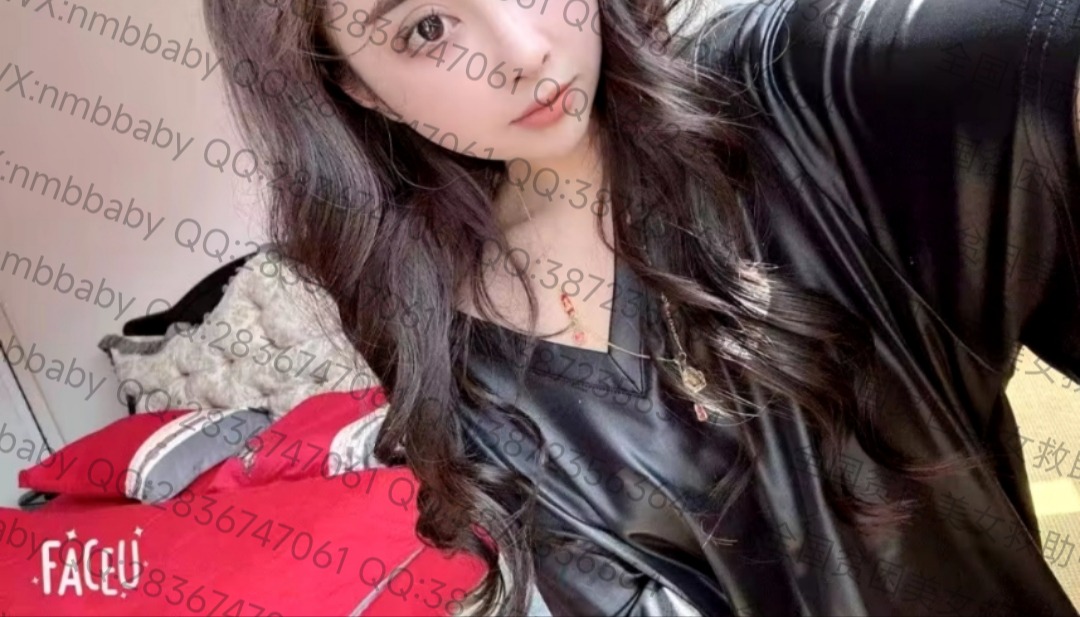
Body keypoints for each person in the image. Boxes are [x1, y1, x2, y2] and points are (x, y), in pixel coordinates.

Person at [201, 0, 1080, 614]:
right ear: (353, 84)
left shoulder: (790, 95)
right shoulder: (446, 340)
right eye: (426, 28)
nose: (521, 49)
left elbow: (1029, 50)